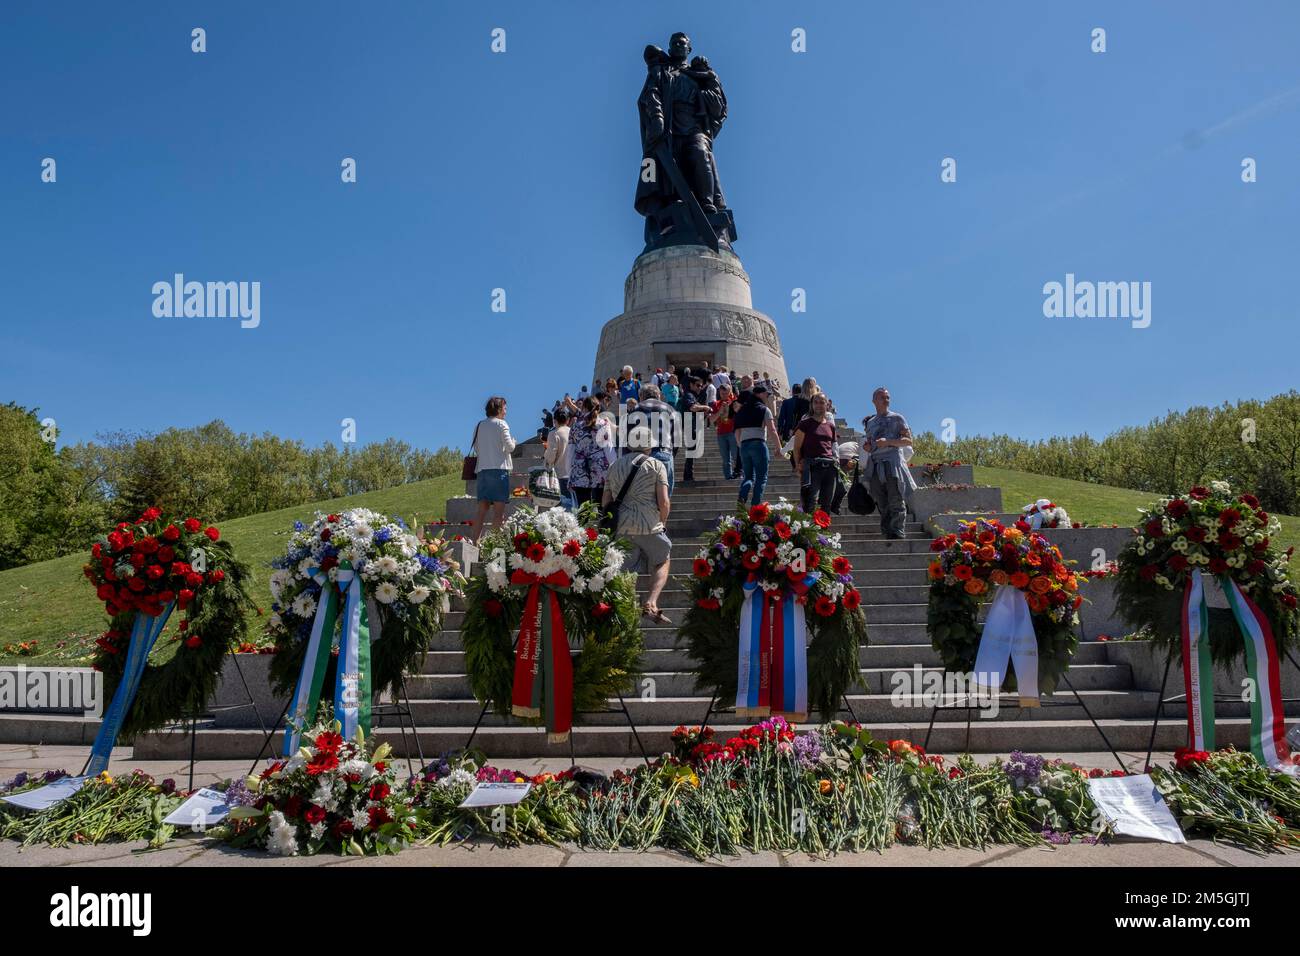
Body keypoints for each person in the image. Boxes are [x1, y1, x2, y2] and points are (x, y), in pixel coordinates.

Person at [603, 426, 673, 624]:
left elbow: (605, 501)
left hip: (622, 526)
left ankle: (625, 614)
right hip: (649, 524)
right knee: (662, 559)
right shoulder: (657, 465)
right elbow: (664, 501)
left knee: (625, 571)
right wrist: (662, 523)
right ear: (649, 445)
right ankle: (651, 602)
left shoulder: (614, 466)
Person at [862, 386, 916, 539]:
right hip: (876, 465)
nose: (886, 400)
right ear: (874, 401)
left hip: (893, 464)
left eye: (887, 397)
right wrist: (868, 447)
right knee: (881, 500)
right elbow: (872, 445)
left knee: (896, 498)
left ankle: (898, 531)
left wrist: (888, 442)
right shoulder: (870, 422)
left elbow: (908, 441)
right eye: (882, 397)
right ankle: (887, 531)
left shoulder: (898, 418)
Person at [471, 396, 516, 545]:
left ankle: (474, 542)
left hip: (483, 470)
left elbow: (476, 447)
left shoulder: (479, 425)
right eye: (504, 408)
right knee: (498, 513)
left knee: (481, 511)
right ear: (498, 409)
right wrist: (514, 442)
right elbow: (510, 447)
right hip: (499, 471)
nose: (506, 411)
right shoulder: (502, 424)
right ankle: (493, 544)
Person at [733, 384, 781, 507]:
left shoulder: (741, 410)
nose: (767, 396)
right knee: (761, 478)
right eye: (766, 394)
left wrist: (740, 445)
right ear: (759, 394)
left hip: (744, 445)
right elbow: (772, 430)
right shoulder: (764, 409)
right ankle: (755, 507)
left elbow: (737, 430)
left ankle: (742, 497)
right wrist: (778, 448)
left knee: (748, 477)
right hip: (758, 443)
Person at [792, 393, 838, 514]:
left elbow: (833, 446)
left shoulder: (831, 426)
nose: (818, 405)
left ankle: (824, 532)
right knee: (809, 502)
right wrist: (798, 466)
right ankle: (809, 532)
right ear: (811, 405)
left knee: (826, 504)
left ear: (827, 405)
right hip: (812, 466)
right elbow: (796, 448)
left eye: (822, 402)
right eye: (816, 402)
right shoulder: (805, 424)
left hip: (829, 468)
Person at [568, 397, 615, 507]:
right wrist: (614, 467)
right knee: (600, 508)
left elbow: (570, 452)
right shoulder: (603, 424)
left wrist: (569, 473)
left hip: (579, 470)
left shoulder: (575, 426)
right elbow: (609, 448)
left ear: (583, 407)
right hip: (600, 470)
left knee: (583, 512)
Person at [636, 383, 677, 496]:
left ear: (641, 396)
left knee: (645, 496)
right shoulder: (670, 409)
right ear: (658, 395)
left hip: (642, 456)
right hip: (665, 453)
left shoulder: (636, 409)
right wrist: (671, 453)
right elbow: (676, 437)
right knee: (664, 497)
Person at [709, 382, 741, 479]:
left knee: (736, 455)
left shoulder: (735, 402)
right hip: (721, 433)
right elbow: (711, 420)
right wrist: (720, 411)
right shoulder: (716, 404)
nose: (724, 395)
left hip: (733, 432)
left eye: (726, 393)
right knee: (725, 459)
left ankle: (739, 473)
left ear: (729, 392)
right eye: (722, 393)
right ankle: (728, 477)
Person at [544, 409, 571, 500]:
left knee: (561, 509)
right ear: (568, 420)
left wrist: (546, 454)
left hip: (559, 475)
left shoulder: (554, 433)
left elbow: (551, 457)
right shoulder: (573, 432)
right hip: (573, 475)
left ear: (554, 420)